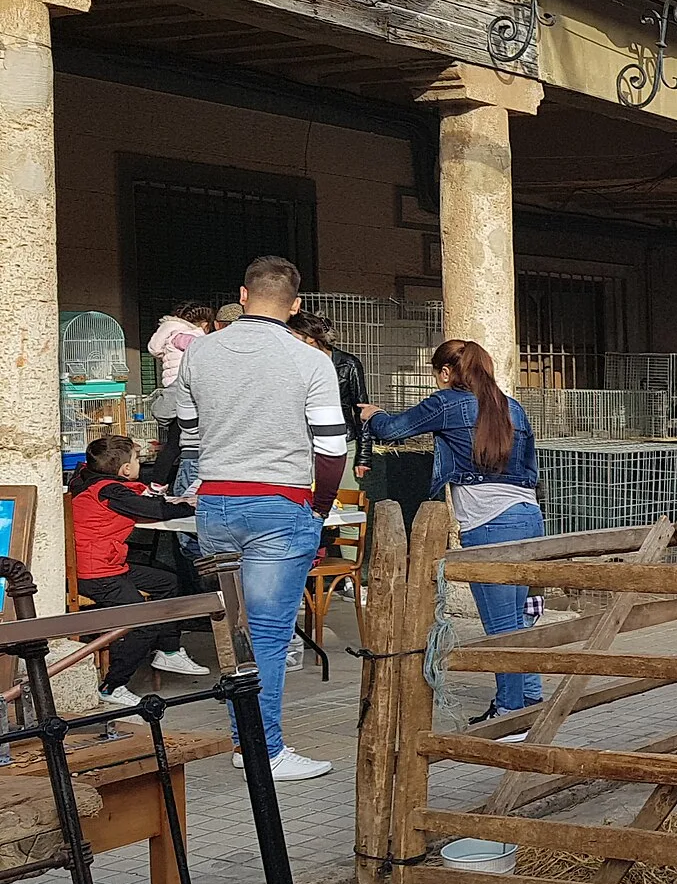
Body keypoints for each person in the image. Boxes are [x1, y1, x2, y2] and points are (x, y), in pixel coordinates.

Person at [177, 255, 344, 781]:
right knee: (270, 633)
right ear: (295, 307)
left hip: (216, 502)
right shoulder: (309, 359)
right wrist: (318, 506)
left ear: (243, 296)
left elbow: (187, 428)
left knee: (230, 630)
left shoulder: (199, 352)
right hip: (279, 502)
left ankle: (243, 738)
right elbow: (333, 447)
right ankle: (262, 749)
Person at [362, 340, 544, 721]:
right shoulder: (514, 407)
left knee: (502, 628)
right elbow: (531, 469)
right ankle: (529, 702)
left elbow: (394, 430)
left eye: (437, 374)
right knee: (521, 619)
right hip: (528, 515)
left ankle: (511, 716)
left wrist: (373, 414)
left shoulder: (447, 402)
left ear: (446, 373)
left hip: (489, 523)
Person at [67, 435, 209, 707]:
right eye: (136, 460)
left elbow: (138, 503)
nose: (139, 464)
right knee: (142, 622)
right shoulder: (112, 491)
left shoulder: (89, 481)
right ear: (125, 470)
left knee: (167, 582)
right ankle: (113, 685)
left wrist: (165, 501)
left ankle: (168, 649)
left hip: (104, 564)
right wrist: (185, 504)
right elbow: (153, 510)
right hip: (98, 574)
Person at [288, 311, 372, 483]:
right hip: (305, 446)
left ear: (310, 339)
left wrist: (364, 456)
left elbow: (363, 412)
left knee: (345, 505)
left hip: (344, 444)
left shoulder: (348, 364)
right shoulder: (294, 365)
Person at [145, 302, 216, 490]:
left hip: (172, 386)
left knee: (175, 442)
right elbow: (200, 347)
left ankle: (159, 483)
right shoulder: (186, 335)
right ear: (203, 323)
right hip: (184, 387)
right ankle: (158, 483)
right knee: (178, 443)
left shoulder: (169, 334)